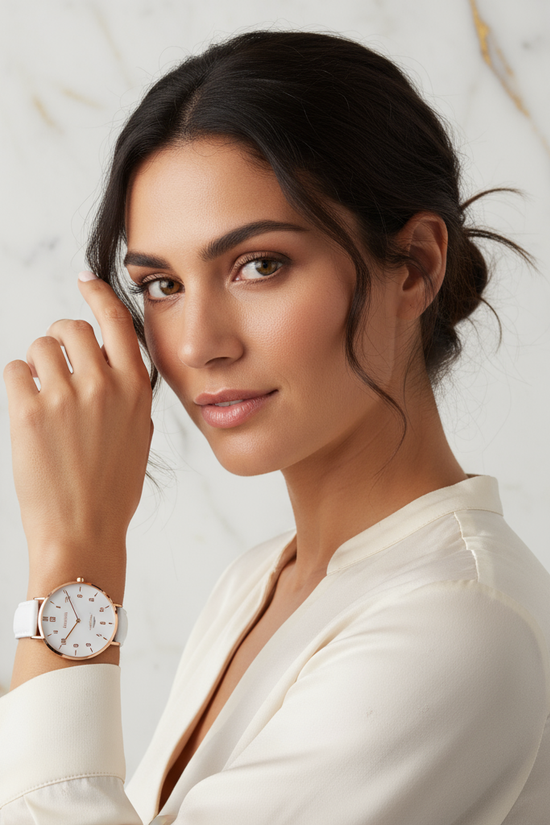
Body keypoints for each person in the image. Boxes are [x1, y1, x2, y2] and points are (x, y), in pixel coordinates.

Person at [1, 29, 549, 825]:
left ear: (416, 266)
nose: (197, 344)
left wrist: (74, 560)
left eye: (259, 264)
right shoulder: (259, 581)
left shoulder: (460, 622)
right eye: (161, 283)